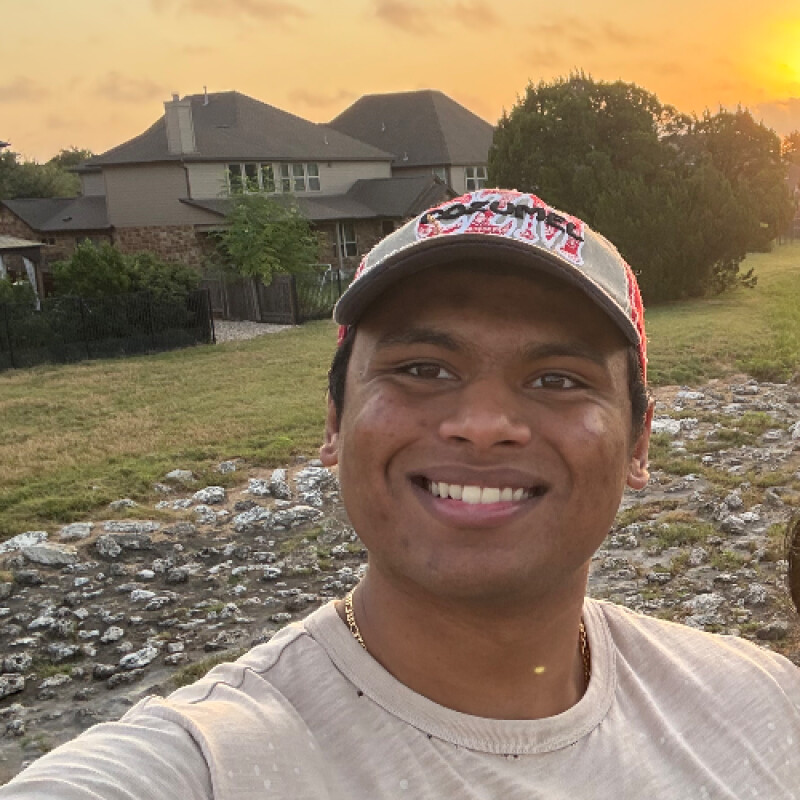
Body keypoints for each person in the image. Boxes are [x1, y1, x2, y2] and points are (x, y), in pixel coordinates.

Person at [2, 189, 799, 799]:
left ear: (639, 444)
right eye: (423, 369)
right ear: (334, 422)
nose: (482, 426)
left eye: (557, 379)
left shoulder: (765, 706)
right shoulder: (209, 766)